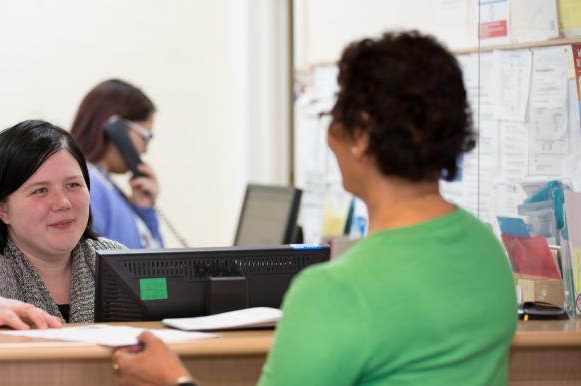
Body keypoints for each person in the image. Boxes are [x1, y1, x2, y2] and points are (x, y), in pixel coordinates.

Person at [112, 31, 517, 386]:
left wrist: (172, 379)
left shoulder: (334, 292)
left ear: (359, 134)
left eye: (333, 114)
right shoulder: (487, 251)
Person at [0, 120, 123, 330]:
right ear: (2, 209)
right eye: (40, 190)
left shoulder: (115, 258)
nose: (63, 203)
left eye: (73, 185)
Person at [70, 79, 164, 249]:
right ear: (116, 129)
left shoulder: (107, 185)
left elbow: (158, 262)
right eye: (145, 137)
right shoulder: (87, 183)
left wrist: (144, 209)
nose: (144, 151)